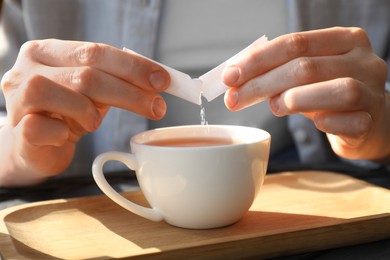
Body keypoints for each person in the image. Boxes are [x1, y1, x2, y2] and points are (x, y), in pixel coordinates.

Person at [0, 0, 389, 258]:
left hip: (321, 191)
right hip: (76, 192)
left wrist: (380, 126)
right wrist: (21, 148)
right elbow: (7, 114)